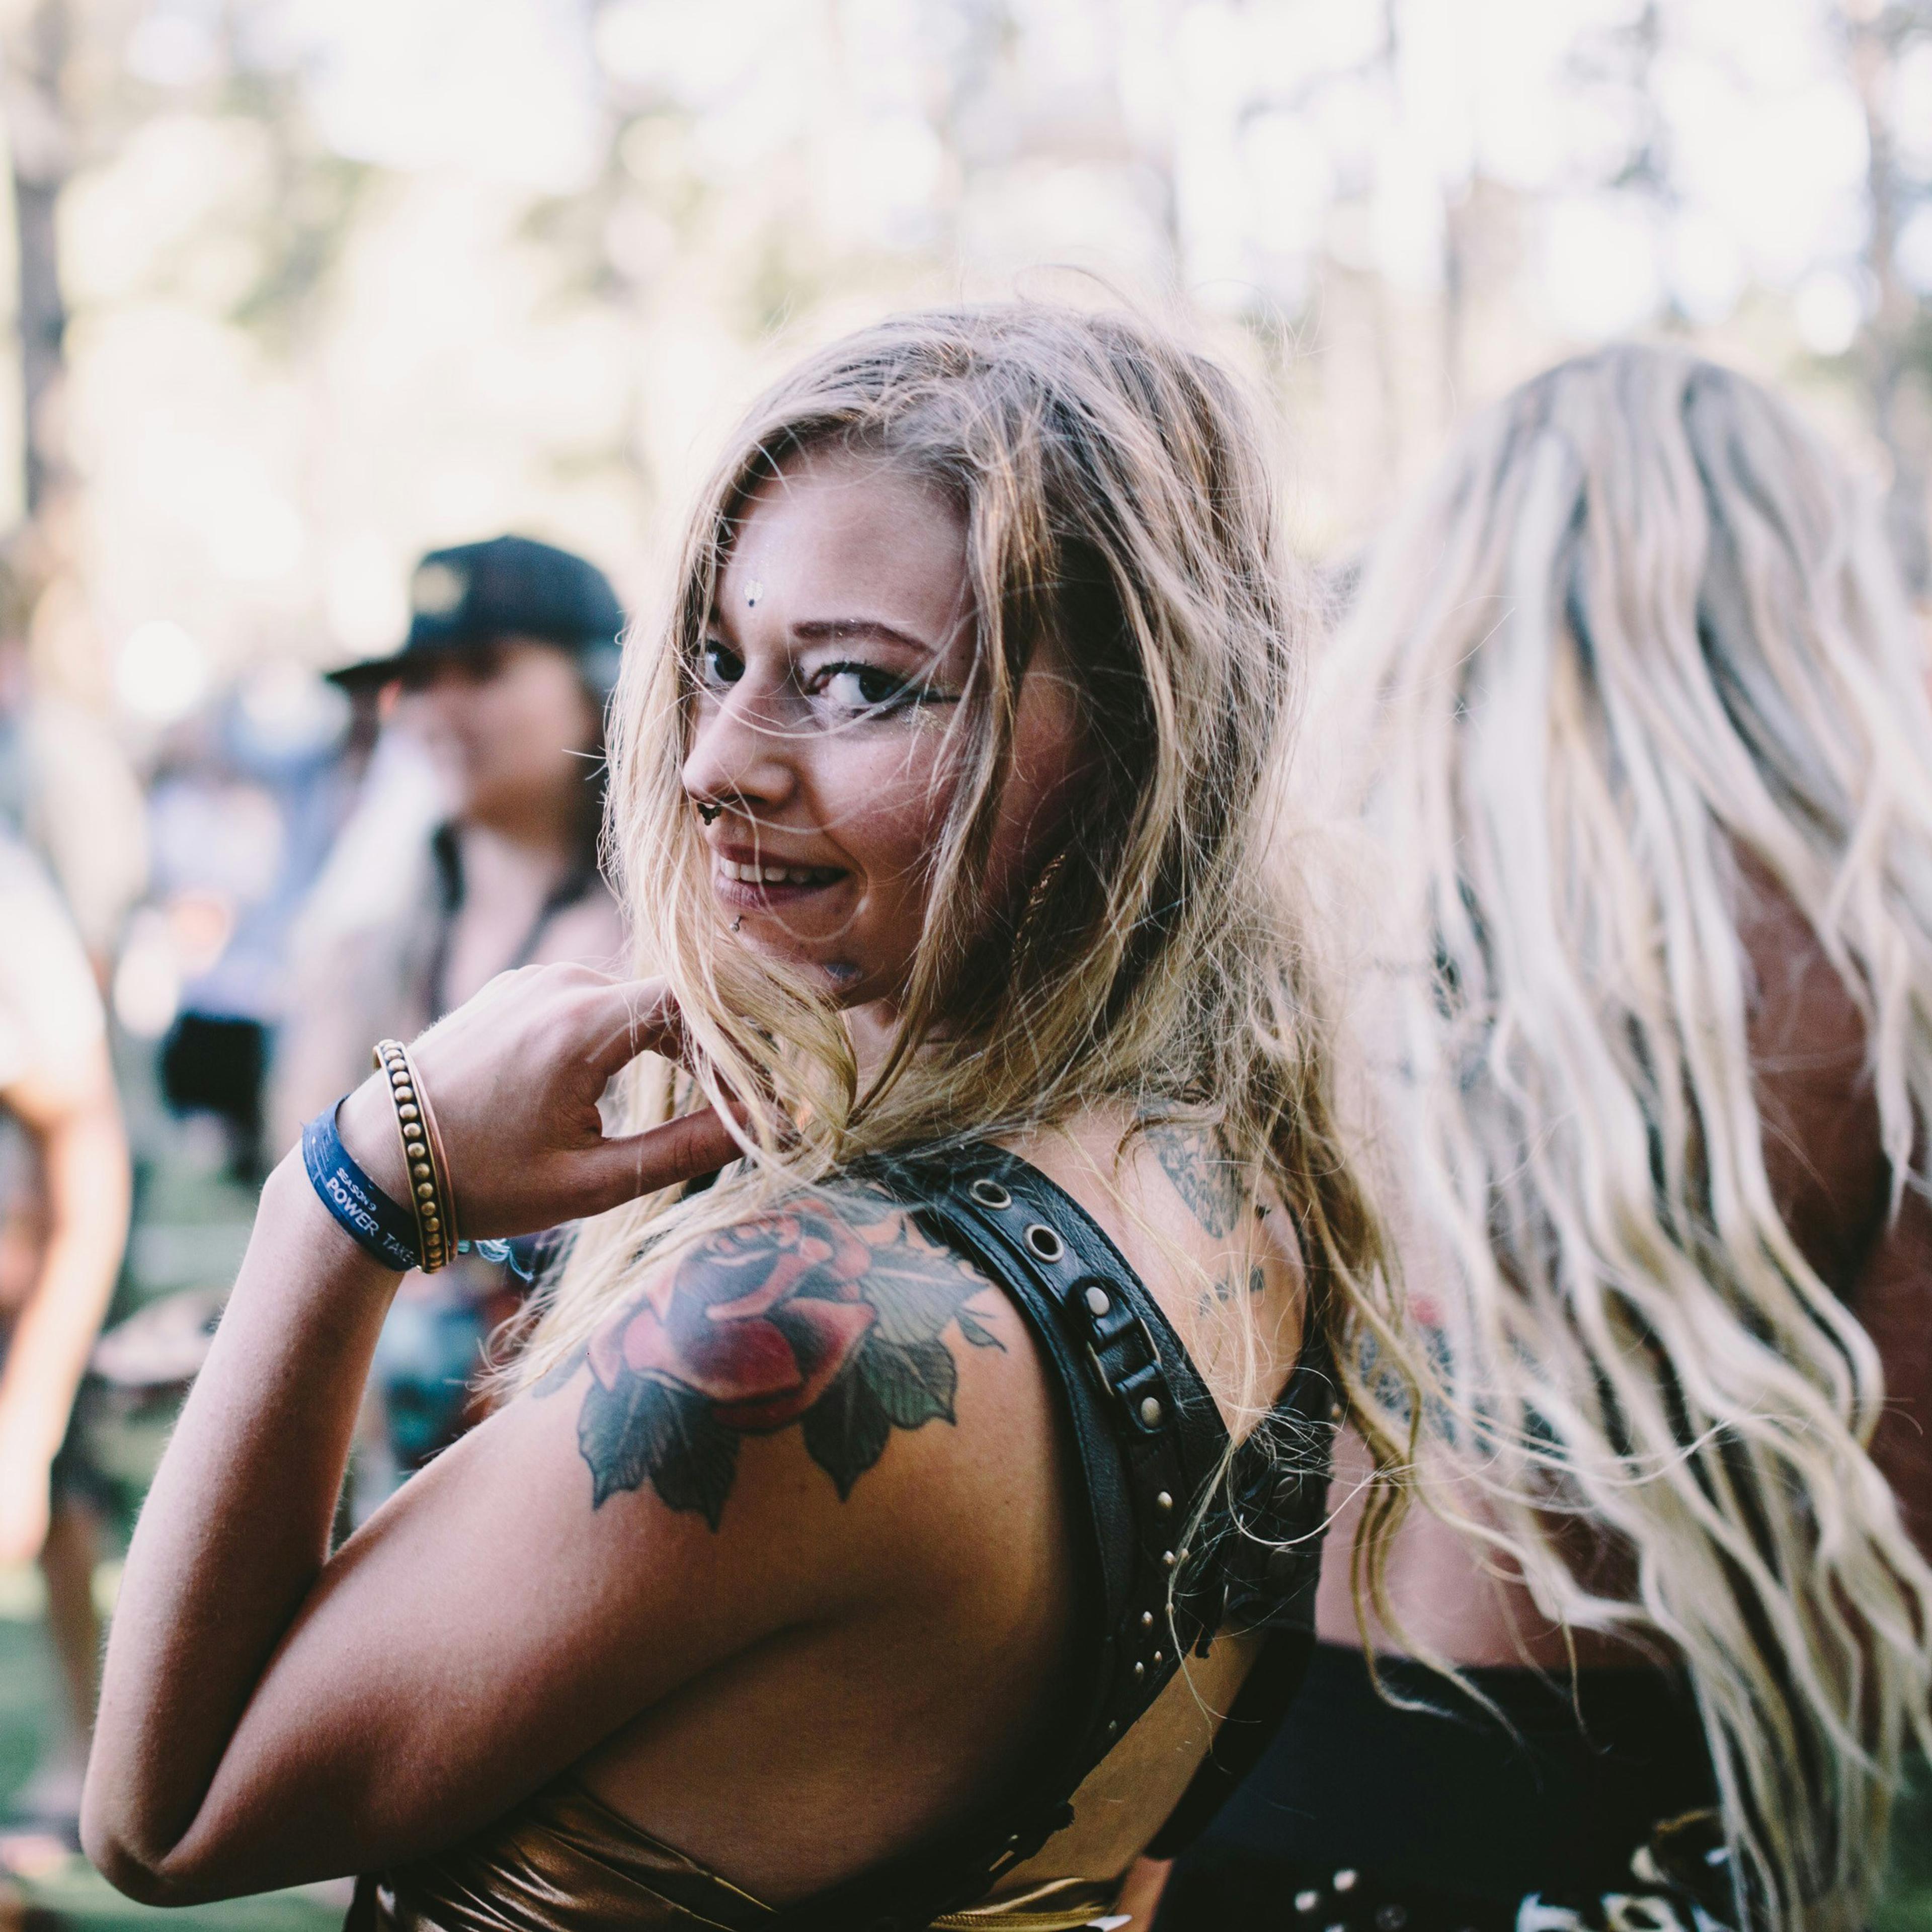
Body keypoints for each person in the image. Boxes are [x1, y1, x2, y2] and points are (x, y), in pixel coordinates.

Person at [79, 304, 1415, 1930]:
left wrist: (361, 1182)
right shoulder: (1241, 1170)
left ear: (1136, 739)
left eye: (856, 686)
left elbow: (170, 1817)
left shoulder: (796, 1339)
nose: (716, 760)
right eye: (719, 658)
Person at [1159, 347, 1932, 1932]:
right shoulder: (1888, 960)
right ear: (1810, 597)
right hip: (1694, 1818)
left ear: (1454, 576)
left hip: (1295, 1792)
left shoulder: (1289, 938)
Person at [272, 536, 629, 1484]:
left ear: (603, 684)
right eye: (418, 680)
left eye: (483, 669)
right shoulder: (375, 938)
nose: (439, 709)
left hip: (600, 1453)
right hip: (400, 1458)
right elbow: (304, 1187)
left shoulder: (666, 936)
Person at [0, 832, 130, 1832]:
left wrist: (27, 1418)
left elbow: (86, 1160)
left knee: (57, 1507)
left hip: (24, 1278)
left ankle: (87, 1745)